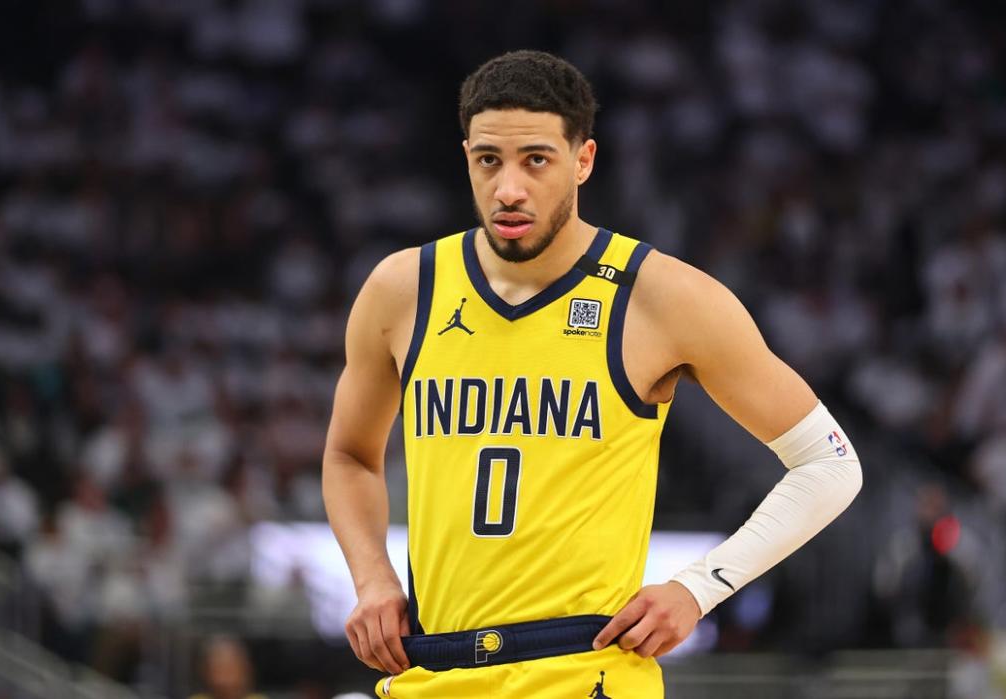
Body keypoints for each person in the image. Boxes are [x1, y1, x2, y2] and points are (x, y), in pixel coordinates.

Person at [322, 50, 863, 698]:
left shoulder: (662, 297)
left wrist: (699, 587)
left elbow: (829, 463)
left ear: (584, 160)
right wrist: (373, 575)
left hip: (586, 667)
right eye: (489, 160)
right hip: (433, 668)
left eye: (537, 160)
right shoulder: (402, 289)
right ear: (466, 155)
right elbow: (350, 455)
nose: (509, 189)